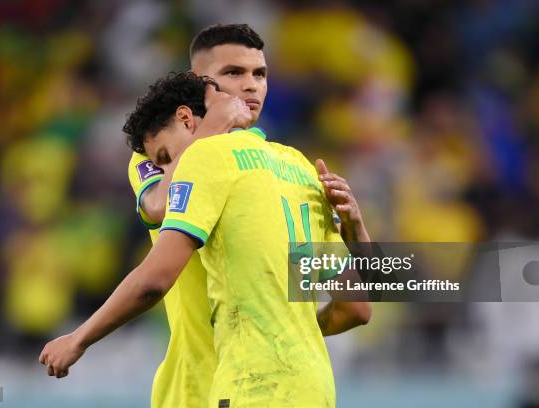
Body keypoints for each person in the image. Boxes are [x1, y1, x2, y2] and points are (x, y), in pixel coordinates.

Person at [40, 71, 368, 407]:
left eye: (167, 157)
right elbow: (358, 308)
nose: (171, 169)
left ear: (186, 117)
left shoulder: (204, 159)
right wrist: (356, 233)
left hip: (250, 387)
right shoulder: (300, 167)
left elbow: (154, 280)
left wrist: (79, 339)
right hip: (315, 388)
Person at [126, 23, 371, 407]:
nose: (252, 85)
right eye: (233, 73)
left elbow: (355, 307)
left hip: (247, 383)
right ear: (198, 83)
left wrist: (279, 330)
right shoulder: (158, 150)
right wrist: (212, 127)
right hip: (194, 387)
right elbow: (158, 205)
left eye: (260, 74)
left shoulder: (287, 168)